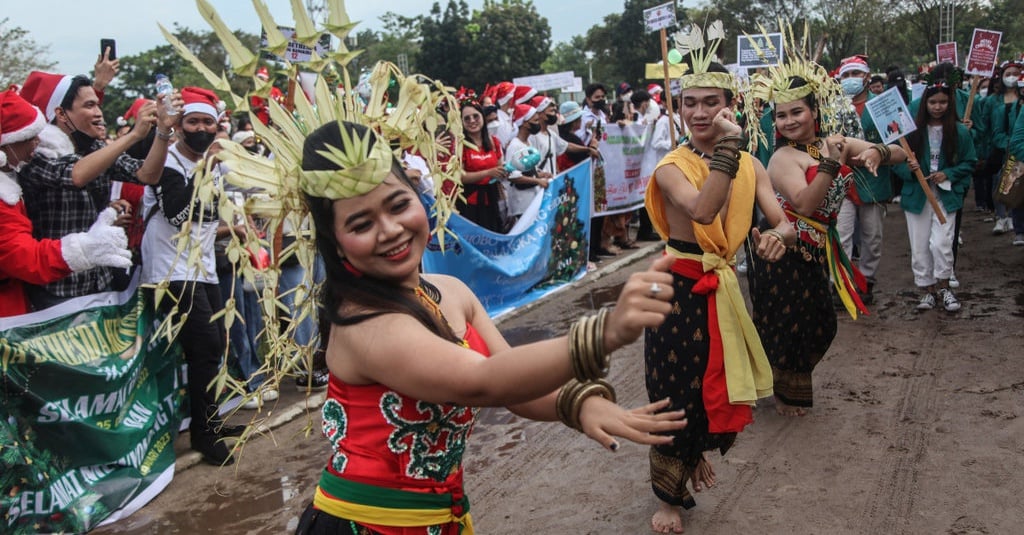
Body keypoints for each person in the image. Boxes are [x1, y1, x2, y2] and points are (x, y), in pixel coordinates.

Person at [293, 119, 688, 534]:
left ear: (419, 197)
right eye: (361, 224)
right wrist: (604, 332)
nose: (390, 230)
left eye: (397, 205)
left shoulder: (450, 290)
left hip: (438, 519)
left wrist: (578, 404)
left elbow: (511, 377)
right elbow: (483, 382)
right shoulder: (363, 324)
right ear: (335, 243)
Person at [642, 54, 797, 532]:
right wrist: (731, 147)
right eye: (690, 103)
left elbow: (784, 221)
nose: (700, 112)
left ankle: (692, 459)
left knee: (712, 388)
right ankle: (668, 498)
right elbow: (704, 211)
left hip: (722, 285)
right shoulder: (672, 166)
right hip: (676, 288)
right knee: (671, 392)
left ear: (732, 105)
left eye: (712, 102)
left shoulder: (751, 164)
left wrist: (778, 237)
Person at [746, 41, 907, 419]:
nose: (788, 122)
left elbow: (898, 154)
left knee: (821, 322)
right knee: (786, 322)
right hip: (781, 246)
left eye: (796, 112)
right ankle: (786, 393)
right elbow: (803, 204)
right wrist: (833, 164)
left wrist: (877, 153)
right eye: (780, 115)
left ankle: (778, 380)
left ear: (814, 110)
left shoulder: (830, 143)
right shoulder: (784, 157)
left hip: (816, 246)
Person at [140, 87, 243, 465]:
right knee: (205, 349)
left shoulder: (215, 163)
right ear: (180, 127)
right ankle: (203, 433)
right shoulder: (168, 163)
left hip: (204, 271)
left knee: (214, 347)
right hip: (170, 271)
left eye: (208, 122)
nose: (201, 128)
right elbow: (178, 216)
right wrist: (209, 169)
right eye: (193, 121)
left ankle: (209, 419)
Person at [16, 71, 178, 308]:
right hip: (57, 287)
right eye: (90, 105)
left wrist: (163, 132)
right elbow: (77, 175)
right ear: (61, 113)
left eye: (98, 105)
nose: (99, 113)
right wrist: (134, 135)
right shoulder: (36, 154)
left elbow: (147, 174)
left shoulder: (94, 147)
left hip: (100, 280)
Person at [0, 88, 132, 317]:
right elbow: (23, 256)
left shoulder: (10, 177)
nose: (37, 143)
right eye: (29, 137)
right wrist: (84, 247)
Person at [902, 82, 977, 311]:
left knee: (942, 242)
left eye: (943, 102)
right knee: (920, 245)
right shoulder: (910, 131)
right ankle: (928, 290)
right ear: (924, 103)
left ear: (950, 103)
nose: (937, 107)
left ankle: (945, 288)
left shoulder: (959, 131)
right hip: (917, 195)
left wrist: (948, 173)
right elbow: (894, 162)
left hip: (946, 194)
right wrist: (909, 167)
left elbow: (970, 161)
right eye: (932, 102)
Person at [457, 101, 508, 232]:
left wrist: (505, 172)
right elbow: (459, 177)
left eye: (476, 116)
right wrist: (488, 173)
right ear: (461, 122)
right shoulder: (459, 145)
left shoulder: (494, 142)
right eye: (466, 118)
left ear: (483, 118)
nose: (472, 121)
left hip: (493, 198)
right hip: (469, 203)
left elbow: (499, 168)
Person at [503, 103, 551, 227]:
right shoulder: (515, 146)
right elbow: (512, 176)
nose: (538, 123)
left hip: (532, 201)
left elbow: (527, 170)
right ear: (524, 123)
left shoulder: (528, 142)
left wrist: (540, 175)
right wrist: (538, 182)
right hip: (522, 204)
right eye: (535, 120)